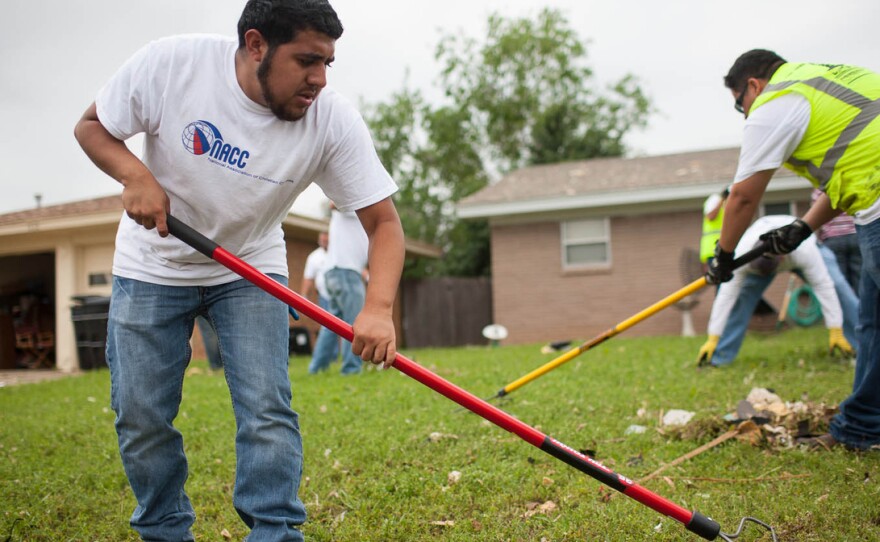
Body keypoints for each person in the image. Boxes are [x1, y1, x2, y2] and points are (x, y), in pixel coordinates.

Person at [72, 1, 406, 539]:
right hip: (152, 264)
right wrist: (134, 175)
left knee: (266, 412)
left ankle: (275, 531)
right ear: (255, 45)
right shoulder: (171, 66)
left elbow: (383, 223)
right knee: (141, 417)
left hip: (249, 267)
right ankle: (164, 529)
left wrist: (379, 308)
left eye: (327, 63)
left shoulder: (331, 119)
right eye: (305, 61)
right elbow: (92, 126)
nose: (318, 79)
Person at [707, 49, 880, 451]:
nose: (746, 116)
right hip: (871, 204)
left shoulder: (774, 100)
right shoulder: (819, 85)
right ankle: (864, 428)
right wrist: (802, 227)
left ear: (753, 85)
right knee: (873, 325)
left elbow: (744, 197)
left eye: (740, 105)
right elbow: (845, 179)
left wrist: (724, 255)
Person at [697, 215, 856, 367]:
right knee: (740, 300)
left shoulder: (804, 252)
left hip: (802, 244)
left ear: (782, 259)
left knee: (838, 288)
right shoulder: (742, 256)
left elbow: (824, 286)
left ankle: (862, 346)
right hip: (754, 254)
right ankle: (719, 357)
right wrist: (713, 336)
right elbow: (726, 296)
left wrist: (835, 328)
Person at [308, 205, 370, 374]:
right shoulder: (353, 204)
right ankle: (351, 369)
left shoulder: (355, 210)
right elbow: (334, 202)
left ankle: (317, 367)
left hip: (337, 271)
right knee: (354, 323)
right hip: (345, 272)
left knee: (332, 325)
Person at [812, 188, 862, 292]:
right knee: (861, 280)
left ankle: (849, 307)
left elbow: (816, 218)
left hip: (833, 239)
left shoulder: (820, 189)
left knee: (839, 283)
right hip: (855, 235)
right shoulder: (850, 181)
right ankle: (864, 307)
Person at [301, 231, 339, 360]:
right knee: (328, 326)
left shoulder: (338, 252)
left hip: (340, 296)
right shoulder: (314, 257)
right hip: (324, 297)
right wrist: (304, 296)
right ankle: (328, 357)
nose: (324, 241)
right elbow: (308, 277)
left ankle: (340, 356)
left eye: (326, 239)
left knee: (342, 327)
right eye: (322, 240)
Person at [700, 187, 729, 266]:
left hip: (726, 249)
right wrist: (722, 199)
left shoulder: (728, 205)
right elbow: (710, 216)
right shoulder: (715, 199)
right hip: (712, 249)